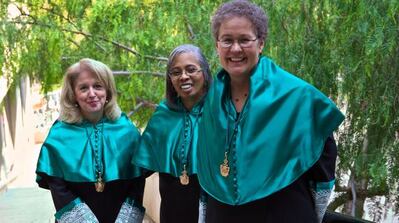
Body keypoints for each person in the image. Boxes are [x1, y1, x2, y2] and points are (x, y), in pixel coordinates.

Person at [197, 1, 345, 223]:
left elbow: (323, 162)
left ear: (261, 44)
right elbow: (207, 170)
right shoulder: (209, 101)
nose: (235, 49)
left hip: (282, 213)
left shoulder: (296, 95)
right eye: (227, 40)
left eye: (244, 39)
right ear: (217, 46)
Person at [36, 58, 145, 223]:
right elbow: (57, 185)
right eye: (83, 88)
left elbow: (137, 179)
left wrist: (125, 219)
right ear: (73, 94)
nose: (92, 94)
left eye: (98, 86)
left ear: (107, 91)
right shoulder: (59, 133)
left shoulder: (126, 129)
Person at [132, 44, 212, 223]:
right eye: (176, 72)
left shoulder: (221, 113)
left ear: (205, 73)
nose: (184, 76)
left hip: (215, 211)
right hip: (173, 211)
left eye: (191, 69)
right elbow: (139, 170)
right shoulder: (162, 116)